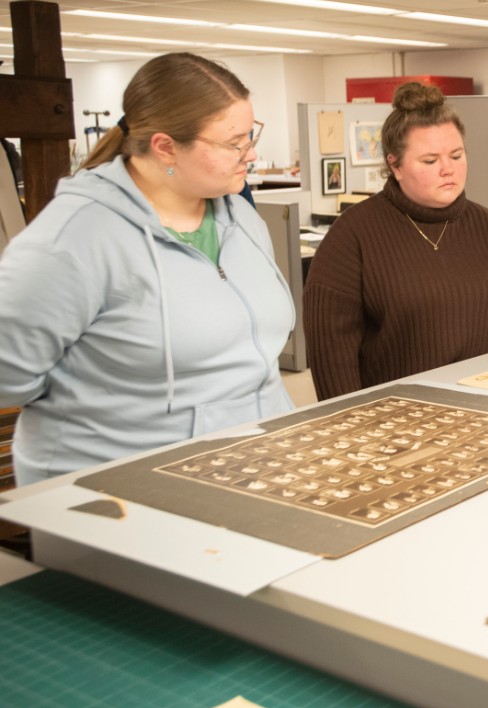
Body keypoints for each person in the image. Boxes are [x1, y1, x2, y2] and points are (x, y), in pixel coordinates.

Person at [0, 52, 294, 486]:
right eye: (234, 143)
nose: (251, 154)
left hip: (246, 467)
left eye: (251, 135)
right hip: (122, 486)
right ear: (165, 146)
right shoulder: (74, 238)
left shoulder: (242, 219)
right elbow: (8, 376)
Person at [304, 82, 488, 401]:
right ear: (395, 165)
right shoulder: (353, 235)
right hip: (394, 420)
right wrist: (355, 421)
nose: (448, 169)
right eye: (430, 161)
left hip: (486, 412)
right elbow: (332, 356)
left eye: (457, 155)